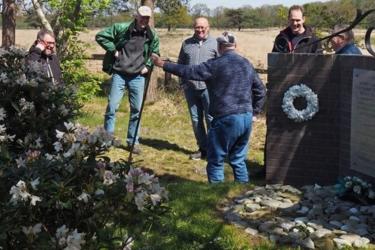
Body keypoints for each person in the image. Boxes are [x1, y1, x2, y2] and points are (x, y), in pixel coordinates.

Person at [152, 32, 266, 183]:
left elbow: (188, 71)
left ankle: (216, 197)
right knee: (238, 159)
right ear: (235, 46)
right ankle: (242, 196)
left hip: (225, 117)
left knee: (216, 160)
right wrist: (254, 112)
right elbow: (261, 90)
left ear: (219, 47)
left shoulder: (215, 65)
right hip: (245, 117)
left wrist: (163, 64)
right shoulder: (246, 64)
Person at [95, 5, 160, 154]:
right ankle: (107, 139)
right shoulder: (122, 28)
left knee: (136, 110)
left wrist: (148, 65)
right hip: (119, 74)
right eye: (142, 17)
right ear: (136, 16)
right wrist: (114, 50)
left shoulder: (152, 35)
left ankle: (132, 142)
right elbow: (100, 36)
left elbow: (155, 52)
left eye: (147, 18)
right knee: (112, 107)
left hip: (138, 76)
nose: (144, 20)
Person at [178, 17, 218, 160]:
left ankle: (215, 150)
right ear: (194, 28)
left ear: (208, 27)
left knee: (211, 119)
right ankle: (203, 149)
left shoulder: (216, 44)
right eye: (197, 27)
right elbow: (180, 64)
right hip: (191, 88)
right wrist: (183, 83)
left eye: (203, 27)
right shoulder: (186, 44)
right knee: (196, 120)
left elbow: (222, 66)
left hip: (209, 89)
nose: (200, 30)